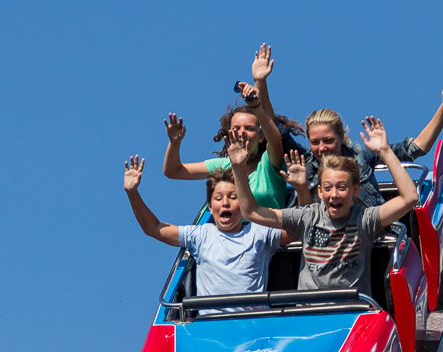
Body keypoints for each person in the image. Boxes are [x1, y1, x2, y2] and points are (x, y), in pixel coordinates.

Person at [228, 117, 418, 297]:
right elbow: (250, 211)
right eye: (328, 188)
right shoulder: (308, 217)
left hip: (350, 312)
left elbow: (409, 197)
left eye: (342, 187)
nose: (334, 194)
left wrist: (385, 151)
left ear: (356, 190)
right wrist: (238, 168)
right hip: (311, 311)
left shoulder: (365, 219)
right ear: (320, 192)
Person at [123, 155, 290, 297]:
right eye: (218, 198)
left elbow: (300, 230)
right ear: (210, 207)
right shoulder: (200, 235)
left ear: (244, 203)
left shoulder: (259, 233)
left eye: (233, 197)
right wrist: (132, 193)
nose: (225, 203)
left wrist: (302, 188)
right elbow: (154, 228)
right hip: (210, 328)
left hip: (252, 327)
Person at [162, 44, 301, 209]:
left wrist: (260, 84)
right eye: (236, 128)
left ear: (261, 135)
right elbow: (173, 171)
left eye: (249, 129)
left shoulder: (269, 164)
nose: (241, 133)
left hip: (267, 233)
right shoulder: (224, 165)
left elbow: (274, 133)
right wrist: (175, 143)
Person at [294, 73, 443, 207]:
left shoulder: (360, 156)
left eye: (328, 141)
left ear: (341, 138)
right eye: (315, 142)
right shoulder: (303, 165)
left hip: (367, 237)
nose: (322, 148)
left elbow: (418, 147)